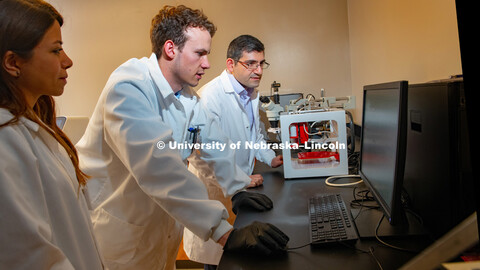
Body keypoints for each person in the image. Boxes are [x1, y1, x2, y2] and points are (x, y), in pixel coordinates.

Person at [75, 5, 289, 270]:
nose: (207, 63)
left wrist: (236, 189)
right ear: (170, 49)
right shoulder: (128, 86)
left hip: (161, 227)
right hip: (121, 232)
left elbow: (215, 144)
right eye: (199, 53)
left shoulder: (186, 97)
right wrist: (224, 232)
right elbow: (158, 167)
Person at [0, 0, 104, 269]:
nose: (67, 61)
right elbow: (27, 255)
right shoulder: (6, 138)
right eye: (56, 50)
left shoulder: (35, 125)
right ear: (13, 62)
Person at [184, 34, 283, 268]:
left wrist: (271, 158)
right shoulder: (210, 98)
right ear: (231, 64)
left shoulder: (251, 93)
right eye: (250, 64)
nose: (258, 70)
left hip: (243, 191)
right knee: (220, 261)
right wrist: (240, 179)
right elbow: (200, 155)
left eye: (261, 64)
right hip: (215, 195)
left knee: (242, 254)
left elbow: (255, 137)